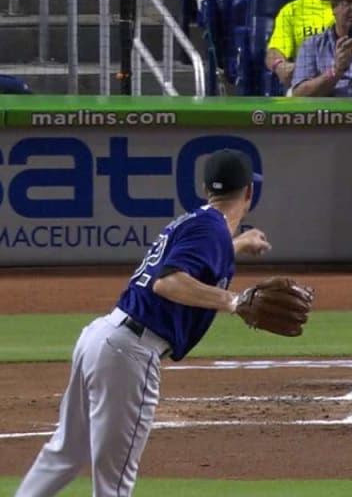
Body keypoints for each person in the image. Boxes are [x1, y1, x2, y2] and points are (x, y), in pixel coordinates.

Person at [14, 149, 286, 496]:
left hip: (104, 338)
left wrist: (238, 244)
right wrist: (233, 301)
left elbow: (194, 261)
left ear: (206, 189)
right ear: (249, 192)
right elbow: (167, 281)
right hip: (129, 354)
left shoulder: (199, 222)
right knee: (115, 483)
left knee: (66, 453)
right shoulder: (210, 231)